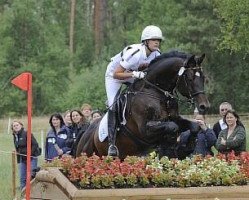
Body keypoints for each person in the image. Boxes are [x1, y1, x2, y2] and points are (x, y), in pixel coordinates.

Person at [105, 25, 164, 156]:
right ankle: (112, 144)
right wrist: (133, 74)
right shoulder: (135, 53)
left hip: (132, 74)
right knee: (113, 106)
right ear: (146, 41)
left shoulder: (157, 54)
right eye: (153, 39)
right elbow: (116, 74)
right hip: (114, 77)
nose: (157, 42)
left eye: (158, 40)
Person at [12, 120, 41, 190]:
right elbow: (17, 149)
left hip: (31, 158)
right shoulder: (15, 136)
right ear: (12, 128)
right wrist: (18, 161)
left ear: (21, 125)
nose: (16, 127)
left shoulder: (27, 133)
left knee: (31, 176)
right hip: (22, 159)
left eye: (17, 125)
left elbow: (35, 144)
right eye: (14, 126)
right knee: (22, 177)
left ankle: (33, 193)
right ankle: (23, 194)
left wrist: (29, 154)